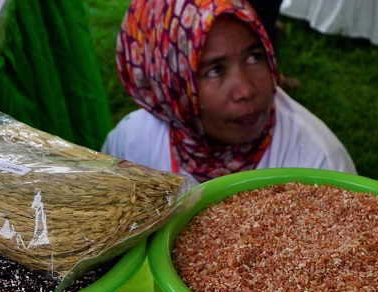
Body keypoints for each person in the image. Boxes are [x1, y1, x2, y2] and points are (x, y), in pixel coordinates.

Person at [102, 0, 355, 184]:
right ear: (171, 81)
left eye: (254, 57)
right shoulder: (130, 147)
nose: (245, 90)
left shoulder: (320, 165)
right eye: (215, 70)